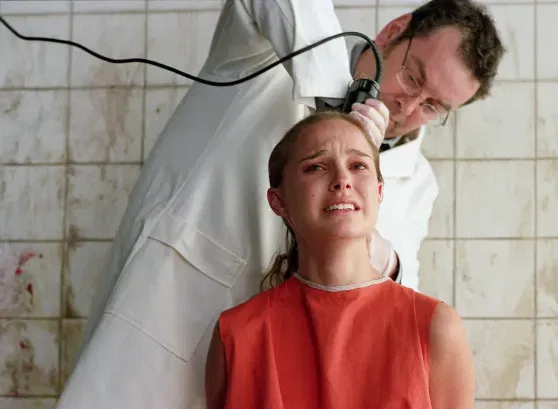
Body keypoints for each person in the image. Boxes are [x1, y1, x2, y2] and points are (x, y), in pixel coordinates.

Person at [56, 0, 503, 408]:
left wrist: (361, 206)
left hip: (282, 376)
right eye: (413, 77)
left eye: (433, 107)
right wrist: (338, 109)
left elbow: (400, 290)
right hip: (168, 325)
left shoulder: (417, 182)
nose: (407, 107)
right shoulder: (265, 58)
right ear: (394, 30)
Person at [205, 110, 474, 409]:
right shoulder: (236, 334)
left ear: (379, 192)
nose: (343, 180)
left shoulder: (434, 327)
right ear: (279, 202)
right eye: (316, 167)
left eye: (358, 165)